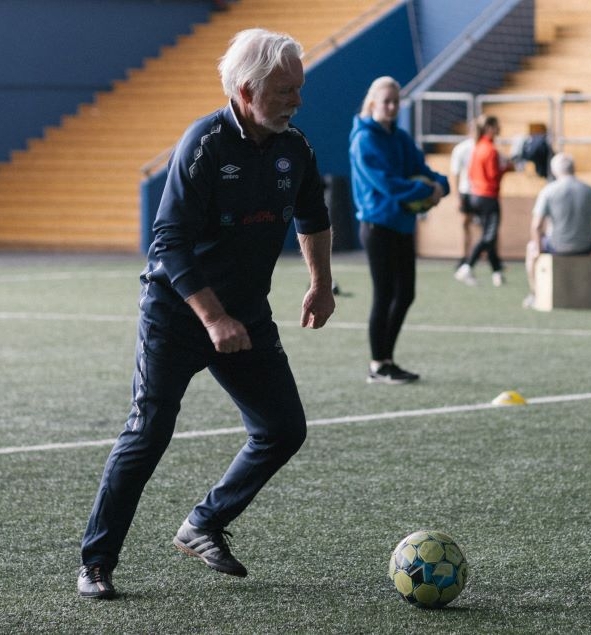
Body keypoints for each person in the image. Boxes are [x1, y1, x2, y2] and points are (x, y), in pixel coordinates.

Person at [77, 28, 336, 600]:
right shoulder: (204, 144)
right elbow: (166, 242)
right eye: (285, 90)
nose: (298, 100)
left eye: (300, 88)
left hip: (246, 315)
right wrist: (214, 318)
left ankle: (203, 524)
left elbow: (312, 217)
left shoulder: (296, 148)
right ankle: (96, 563)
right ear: (246, 91)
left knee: (282, 429)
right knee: (148, 434)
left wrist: (321, 284)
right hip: (178, 315)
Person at [349, 76, 449, 384]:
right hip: (378, 227)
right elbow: (389, 185)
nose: (392, 107)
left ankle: (387, 360)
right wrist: (425, 193)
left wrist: (441, 186)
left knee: (405, 294)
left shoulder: (401, 138)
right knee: (385, 294)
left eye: (396, 101)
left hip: (403, 226)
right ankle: (379, 365)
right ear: (372, 104)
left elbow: (425, 171)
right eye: (386, 102)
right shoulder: (364, 140)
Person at [523, 153, 591, 308]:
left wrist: (539, 250)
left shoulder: (549, 191)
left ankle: (535, 294)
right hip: (584, 247)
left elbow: (536, 226)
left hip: (557, 247)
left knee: (531, 248)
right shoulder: (590, 191)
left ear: (554, 170)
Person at [455, 114, 513, 287]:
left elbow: (471, 173)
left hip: (476, 196)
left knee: (489, 235)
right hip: (488, 197)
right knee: (489, 236)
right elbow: (494, 175)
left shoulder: (478, 147)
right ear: (490, 128)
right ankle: (467, 266)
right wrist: (507, 168)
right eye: (496, 126)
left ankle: (497, 272)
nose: (499, 129)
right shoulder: (490, 150)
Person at [449, 130, 477, 279]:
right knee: (465, 224)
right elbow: (455, 172)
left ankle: (492, 260)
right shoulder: (462, 148)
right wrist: (457, 196)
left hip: (481, 192)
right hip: (467, 191)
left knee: (489, 227)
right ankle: (465, 256)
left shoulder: (484, 147)